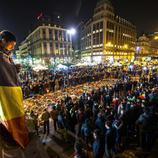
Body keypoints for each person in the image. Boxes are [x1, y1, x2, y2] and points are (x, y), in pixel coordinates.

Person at [0, 30, 29, 157]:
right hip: (4, 93)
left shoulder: (7, 55)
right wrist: (12, 68)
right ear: (3, 40)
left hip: (10, 91)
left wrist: (14, 69)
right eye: (11, 45)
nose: (12, 47)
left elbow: (7, 69)